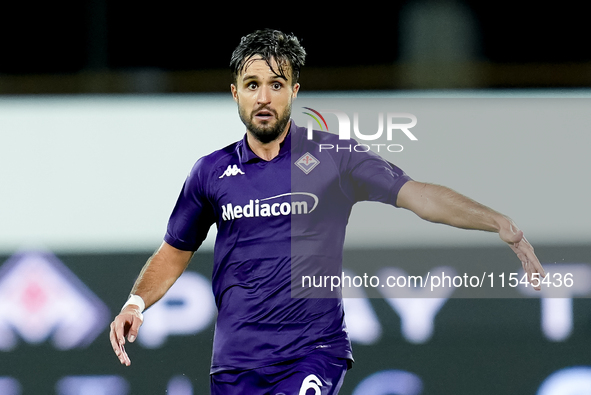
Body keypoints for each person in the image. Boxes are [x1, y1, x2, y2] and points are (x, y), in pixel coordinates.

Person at [109, 29, 546, 394]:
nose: (264, 97)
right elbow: (174, 250)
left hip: (313, 352)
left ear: (294, 92)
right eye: (252, 84)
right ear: (235, 93)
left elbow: (421, 196)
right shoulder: (210, 172)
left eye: (276, 85)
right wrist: (135, 302)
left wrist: (498, 222)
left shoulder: (334, 158)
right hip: (234, 365)